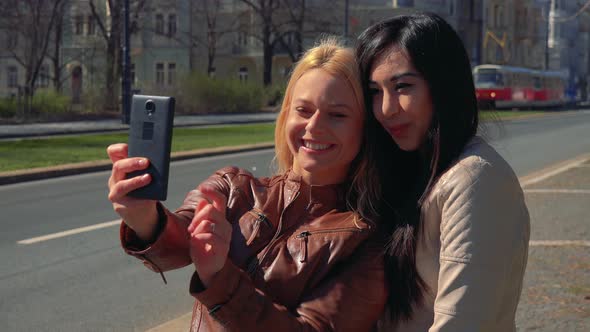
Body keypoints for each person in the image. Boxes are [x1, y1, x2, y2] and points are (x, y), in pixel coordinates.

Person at [107, 38, 387, 331]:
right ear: (286, 115)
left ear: (364, 129)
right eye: (303, 110)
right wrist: (145, 217)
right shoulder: (234, 186)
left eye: (337, 115)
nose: (314, 126)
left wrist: (218, 279)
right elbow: (179, 239)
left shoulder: (367, 241)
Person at [355, 13, 531, 331]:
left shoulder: (475, 180)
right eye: (375, 92)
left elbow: (460, 322)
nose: (386, 108)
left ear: (443, 86)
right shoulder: (412, 172)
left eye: (403, 86)